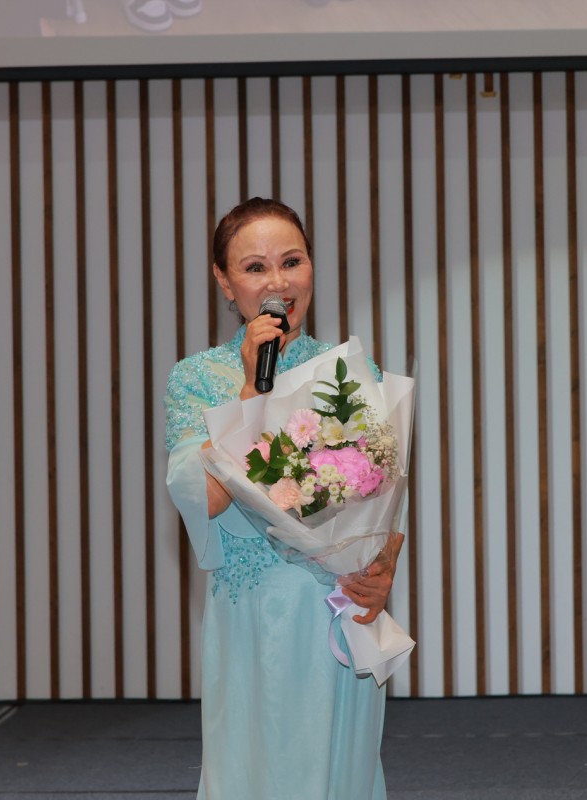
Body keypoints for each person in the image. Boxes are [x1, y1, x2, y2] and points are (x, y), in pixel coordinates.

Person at [164, 197, 403, 799]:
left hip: (338, 609)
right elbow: (205, 497)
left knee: (343, 774)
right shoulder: (197, 379)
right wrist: (251, 391)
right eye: (255, 268)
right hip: (255, 619)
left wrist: (383, 569)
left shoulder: (351, 371)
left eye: (292, 261)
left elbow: (385, 491)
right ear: (225, 282)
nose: (278, 283)